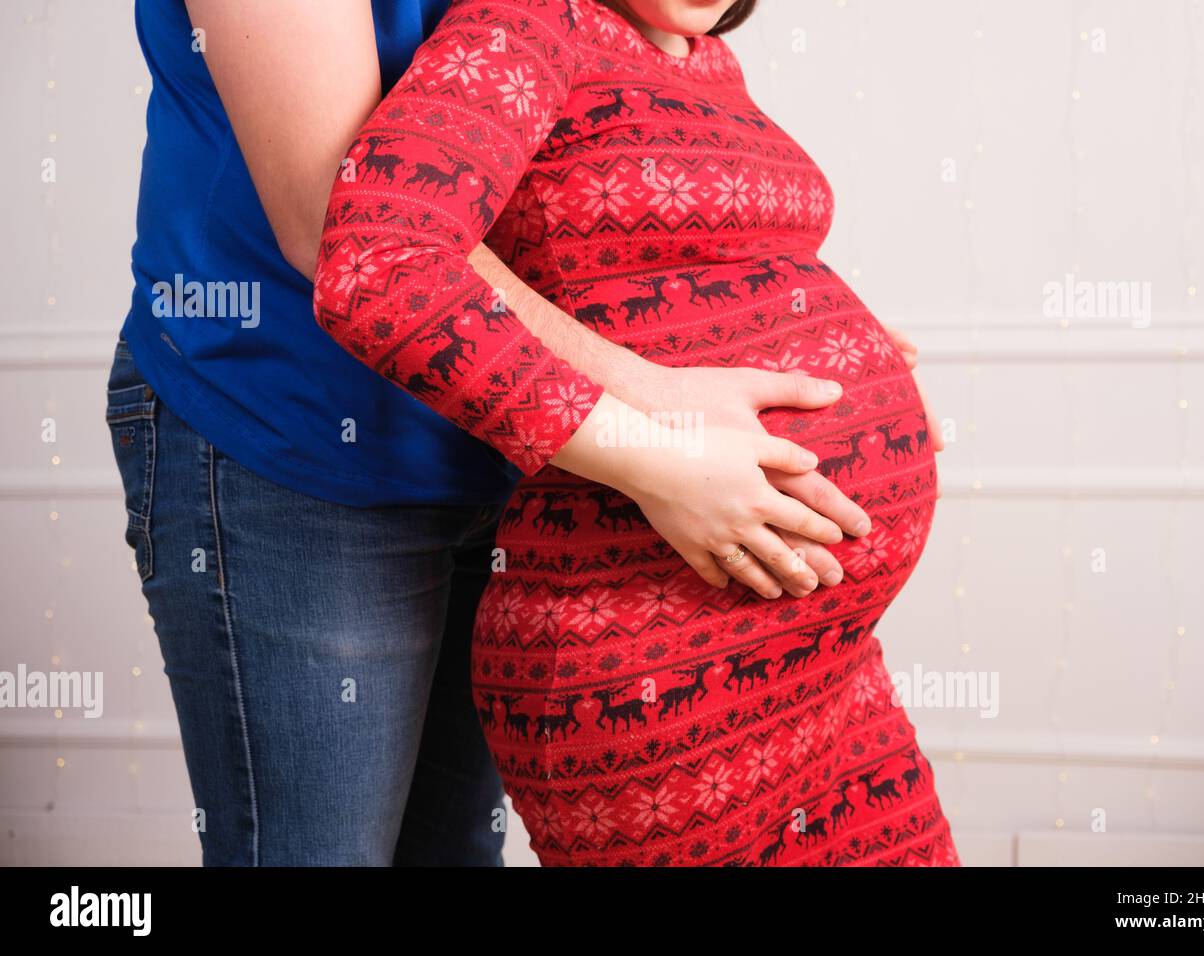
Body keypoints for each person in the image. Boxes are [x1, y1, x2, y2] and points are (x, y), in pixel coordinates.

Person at [109, 0, 937, 865]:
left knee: (455, 848)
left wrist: (824, 344)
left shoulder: (643, 34)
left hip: (518, 452)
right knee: (319, 850)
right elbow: (342, 227)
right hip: (299, 426)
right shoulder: (532, 20)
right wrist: (664, 425)